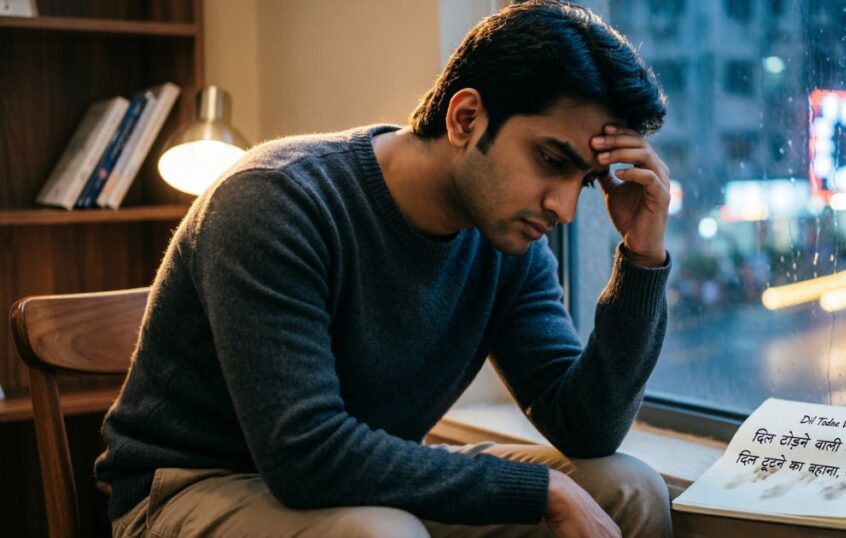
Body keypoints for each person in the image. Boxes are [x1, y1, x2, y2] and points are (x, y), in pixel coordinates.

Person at [97, 1, 673, 536]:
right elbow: (304, 452)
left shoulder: (508, 243)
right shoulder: (274, 200)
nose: (565, 208)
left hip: (361, 483)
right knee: (382, 533)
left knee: (631, 489)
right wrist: (543, 490)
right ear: (465, 118)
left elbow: (586, 429)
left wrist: (643, 258)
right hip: (189, 488)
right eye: (551, 161)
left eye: (586, 182)